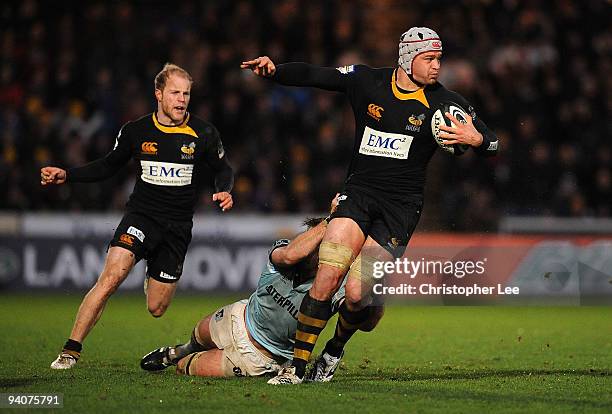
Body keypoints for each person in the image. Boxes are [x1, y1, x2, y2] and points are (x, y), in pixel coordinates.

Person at [241, 27, 499, 384]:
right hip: (358, 194)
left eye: (439, 58)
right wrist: (276, 71)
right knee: (327, 276)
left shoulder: (445, 102)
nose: (437, 66)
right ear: (407, 59)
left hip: (400, 209)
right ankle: (297, 369)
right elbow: (318, 75)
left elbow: (494, 142)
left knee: (357, 293)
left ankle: (333, 351)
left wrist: (479, 139)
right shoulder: (366, 81)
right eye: (429, 58)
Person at [41, 63, 235, 370]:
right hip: (141, 217)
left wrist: (224, 189)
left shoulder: (204, 132)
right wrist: (67, 175)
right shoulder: (136, 131)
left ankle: (151, 271)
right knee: (111, 277)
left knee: (157, 308)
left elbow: (224, 169)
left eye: (186, 93)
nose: (181, 99)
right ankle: (70, 350)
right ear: (158, 94)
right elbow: (108, 165)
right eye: (175, 93)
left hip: (177, 228)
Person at [140, 195, 382, 380]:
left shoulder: (332, 286)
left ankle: (181, 360)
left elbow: (366, 322)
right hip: (239, 317)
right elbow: (290, 255)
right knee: (196, 340)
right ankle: (176, 351)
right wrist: (332, 220)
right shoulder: (284, 255)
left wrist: (376, 283)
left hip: (258, 356)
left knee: (186, 368)